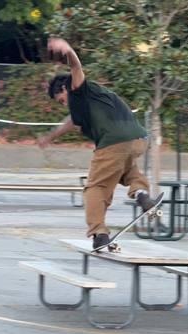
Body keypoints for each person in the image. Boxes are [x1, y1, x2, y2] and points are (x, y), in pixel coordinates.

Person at [38, 37, 156, 249]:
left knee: (96, 187)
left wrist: (68, 50)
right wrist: (50, 137)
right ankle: (142, 194)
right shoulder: (89, 99)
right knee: (129, 172)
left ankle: (99, 233)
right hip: (138, 140)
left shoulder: (77, 89)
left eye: (62, 100)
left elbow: (76, 66)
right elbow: (71, 122)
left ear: (65, 89)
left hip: (113, 142)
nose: (65, 104)